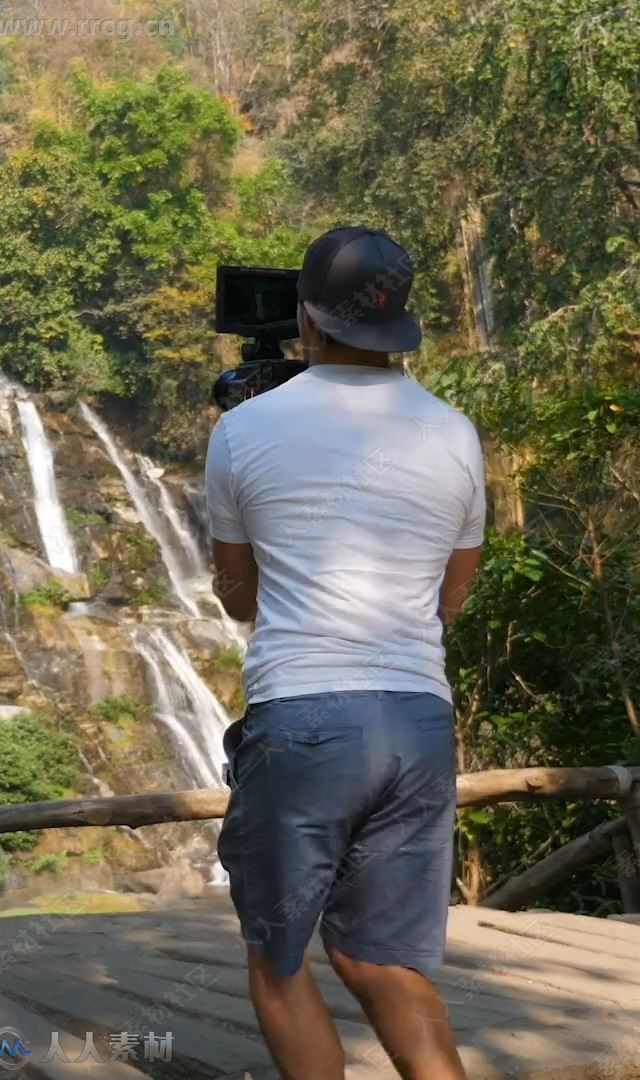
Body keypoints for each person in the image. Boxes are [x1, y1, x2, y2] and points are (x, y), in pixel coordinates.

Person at [204, 226, 485, 1080]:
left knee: (281, 966)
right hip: (417, 722)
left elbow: (238, 595)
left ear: (306, 319)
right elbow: (451, 600)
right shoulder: (456, 433)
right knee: (379, 961)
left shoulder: (244, 431)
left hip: (304, 722)